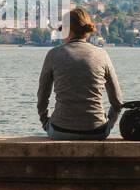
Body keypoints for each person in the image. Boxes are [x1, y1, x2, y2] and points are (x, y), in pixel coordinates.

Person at [37, 7, 123, 140]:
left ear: (69, 30)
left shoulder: (53, 54)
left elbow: (42, 96)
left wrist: (45, 122)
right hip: (97, 131)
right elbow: (117, 101)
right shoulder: (102, 55)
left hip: (60, 130)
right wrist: (109, 125)